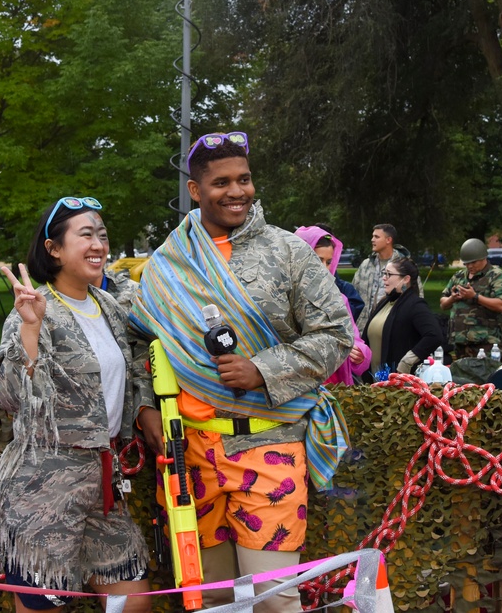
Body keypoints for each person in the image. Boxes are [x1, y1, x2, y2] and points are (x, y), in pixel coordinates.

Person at [130, 132, 353, 612]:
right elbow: (138, 340)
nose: (237, 191)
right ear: (195, 190)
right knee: (211, 598)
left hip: (268, 445)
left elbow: (337, 335)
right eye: (221, 182)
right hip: (191, 454)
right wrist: (143, 406)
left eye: (245, 179)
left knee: (273, 599)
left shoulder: (287, 251)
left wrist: (262, 368)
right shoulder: (167, 263)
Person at [0, 197, 159, 613]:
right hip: (44, 484)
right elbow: (9, 397)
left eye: (101, 234)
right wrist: (30, 331)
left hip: (103, 478)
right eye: (85, 234)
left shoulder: (110, 307)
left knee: (132, 597)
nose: (98, 243)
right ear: (54, 249)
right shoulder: (33, 308)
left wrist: (146, 409)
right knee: (46, 606)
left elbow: (138, 363)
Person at [295, 225, 371, 385]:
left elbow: (353, 338)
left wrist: (359, 353)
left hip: (334, 389)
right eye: (318, 259)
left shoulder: (338, 299)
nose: (324, 267)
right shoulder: (283, 297)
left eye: (329, 261)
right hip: (295, 389)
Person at [364, 257, 442, 374]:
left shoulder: (415, 305)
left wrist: (408, 360)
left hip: (398, 383)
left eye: (389, 274)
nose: (384, 278)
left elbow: (434, 335)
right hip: (374, 380)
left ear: (406, 279)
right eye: (384, 273)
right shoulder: (384, 302)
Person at [440, 238, 502, 359]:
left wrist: (475, 297)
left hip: (486, 343)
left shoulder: (497, 276)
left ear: (484, 258)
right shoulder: (458, 277)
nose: (469, 266)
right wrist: (452, 298)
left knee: (485, 376)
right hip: (460, 342)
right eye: (466, 263)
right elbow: (443, 304)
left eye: (473, 262)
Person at [352, 223, 413, 330]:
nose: (372, 240)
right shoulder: (366, 265)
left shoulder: (404, 265)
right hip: (363, 328)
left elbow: (416, 295)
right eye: (372, 236)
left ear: (388, 240)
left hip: (391, 328)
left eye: (376, 237)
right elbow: (352, 294)